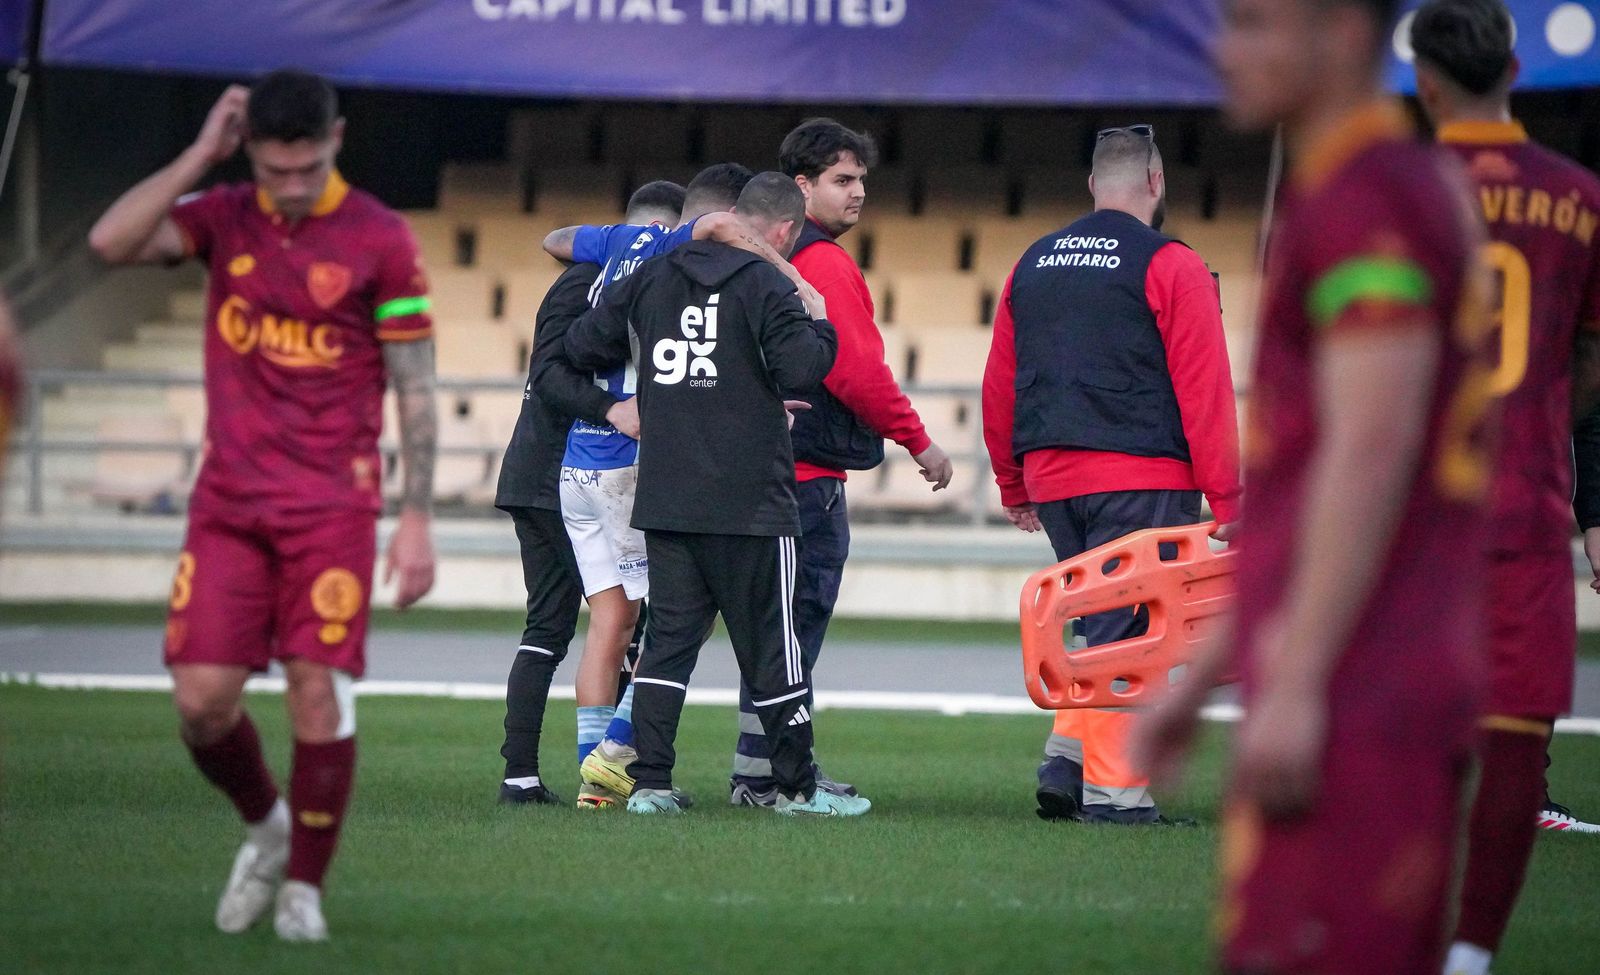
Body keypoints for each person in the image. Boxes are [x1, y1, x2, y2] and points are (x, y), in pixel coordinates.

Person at [1132, 0, 1492, 970]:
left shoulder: (1366, 200)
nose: (1223, 50)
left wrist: (1295, 682)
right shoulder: (1372, 185)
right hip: (1356, 671)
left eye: (1254, 24)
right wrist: (1204, 679)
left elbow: (1370, 448)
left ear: (1342, 35)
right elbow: (1308, 487)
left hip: (1364, 683)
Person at [87, 71, 437, 942]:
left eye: (307, 167)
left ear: (336, 140)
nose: (291, 185)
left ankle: (303, 890)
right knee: (201, 703)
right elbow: (109, 241)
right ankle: (269, 827)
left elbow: (416, 387)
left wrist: (417, 517)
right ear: (249, 152)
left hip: (332, 509)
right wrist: (199, 154)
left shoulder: (381, 238)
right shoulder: (224, 216)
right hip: (230, 506)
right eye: (275, 170)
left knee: (316, 692)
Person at [560, 172, 867, 817]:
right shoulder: (767, 284)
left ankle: (650, 787)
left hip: (668, 496)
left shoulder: (653, 277)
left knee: (667, 648)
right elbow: (804, 368)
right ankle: (797, 789)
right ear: (782, 230)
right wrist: (817, 313)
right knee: (774, 649)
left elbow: (583, 343)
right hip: (750, 501)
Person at [1410, 3, 1600, 969]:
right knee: (1517, 738)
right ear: (1516, 71)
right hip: (1525, 498)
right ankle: (1471, 955)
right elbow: (1592, 357)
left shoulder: (1390, 191)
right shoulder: (1580, 196)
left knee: (1402, 736)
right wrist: (1542, 418)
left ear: (1425, 83)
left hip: (1412, 513)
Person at [981, 124, 1241, 825]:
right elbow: (1205, 388)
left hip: (1054, 478)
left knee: (1100, 621)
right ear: (1156, 183)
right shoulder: (1172, 263)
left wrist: (1012, 482)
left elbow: (1000, 381)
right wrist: (1229, 498)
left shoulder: (1032, 263)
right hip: (1141, 475)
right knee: (1134, 633)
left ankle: (1066, 763)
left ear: (1094, 184)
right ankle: (1118, 795)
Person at [727, 119, 954, 808]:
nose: (858, 192)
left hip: (752, 470)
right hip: (807, 480)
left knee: (761, 634)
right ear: (802, 187)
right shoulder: (822, 263)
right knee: (793, 634)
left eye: (861, 180)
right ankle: (774, 776)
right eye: (842, 179)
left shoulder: (755, 260)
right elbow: (855, 371)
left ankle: (752, 768)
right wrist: (919, 440)